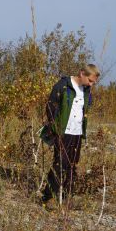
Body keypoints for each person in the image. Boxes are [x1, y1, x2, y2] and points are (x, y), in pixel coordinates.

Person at [41, 64, 101, 204]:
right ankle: (48, 196)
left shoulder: (86, 90)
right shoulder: (62, 86)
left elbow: (84, 110)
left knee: (72, 165)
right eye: (90, 80)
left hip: (77, 133)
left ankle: (66, 196)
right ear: (82, 73)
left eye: (94, 82)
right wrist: (55, 129)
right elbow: (50, 107)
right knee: (60, 164)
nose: (91, 84)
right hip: (63, 132)